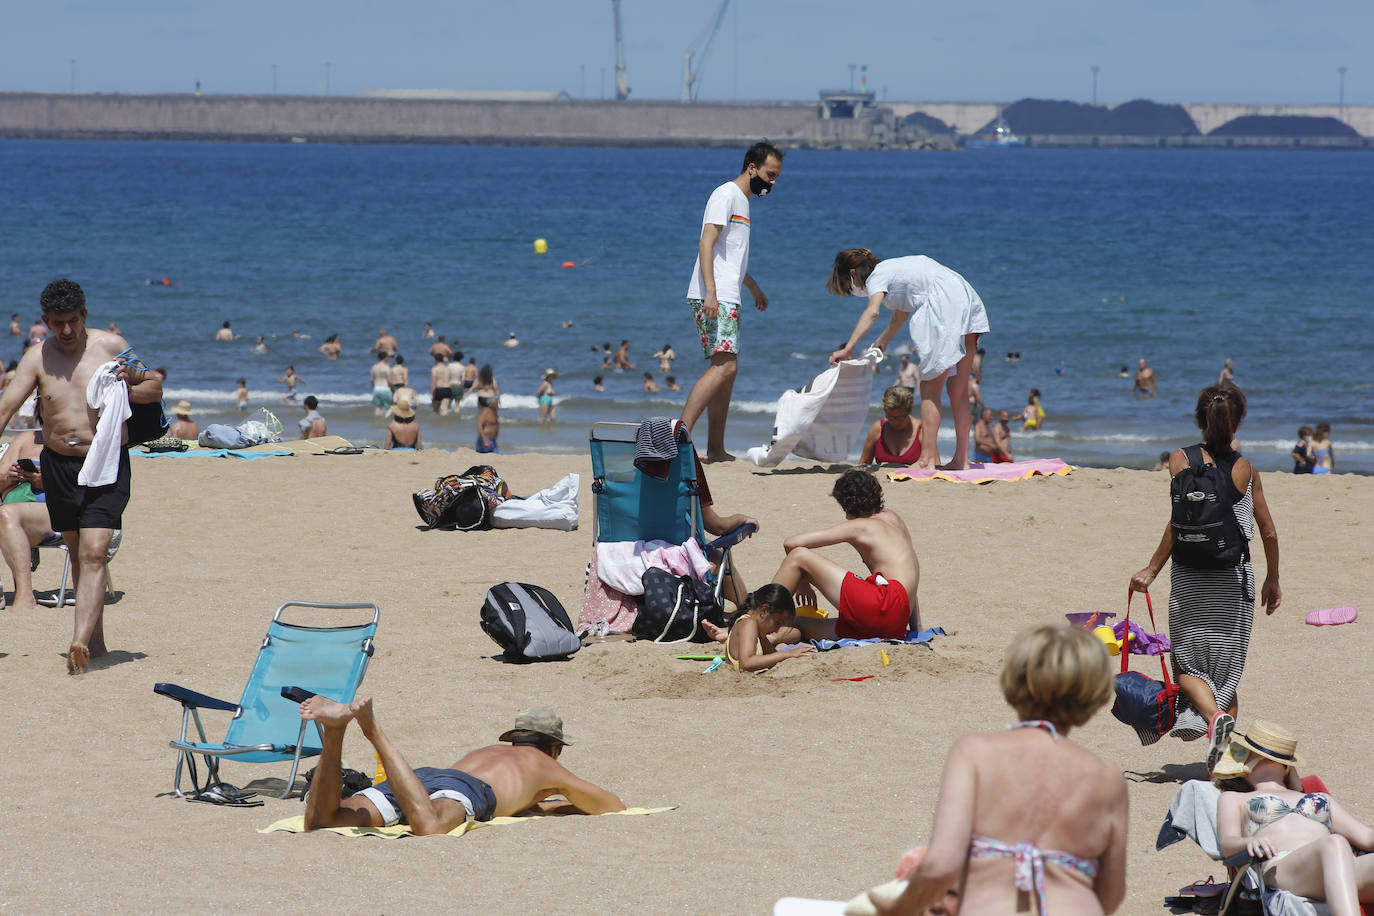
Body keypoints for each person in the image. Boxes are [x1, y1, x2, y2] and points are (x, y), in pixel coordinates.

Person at [866, 624, 1127, 915]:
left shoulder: (975, 753)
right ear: (1094, 694)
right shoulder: (1108, 779)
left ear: (1014, 679)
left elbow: (940, 867)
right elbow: (1111, 894)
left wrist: (898, 909)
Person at [0, 279, 162, 673]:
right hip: (59, 466)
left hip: (104, 461)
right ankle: (97, 640)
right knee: (76, 553)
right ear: (46, 321)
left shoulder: (110, 346)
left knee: (93, 552)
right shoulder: (38, 358)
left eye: (73, 321)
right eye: (58, 324)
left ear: (85, 315)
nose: (67, 331)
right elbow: (6, 405)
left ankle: (77, 643)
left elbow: (154, 385)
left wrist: (129, 380)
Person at [1129, 384, 1281, 770]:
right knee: (1226, 672)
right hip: (1232, 579)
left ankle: (1213, 721)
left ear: (1199, 419)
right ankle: (1224, 757)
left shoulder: (1179, 460)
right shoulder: (1245, 468)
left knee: (1188, 668)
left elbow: (1178, 523)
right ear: (1239, 421)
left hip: (1189, 577)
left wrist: (1151, 569)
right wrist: (1272, 578)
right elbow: (1268, 532)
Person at [299, 698, 625, 835]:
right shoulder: (545, 764)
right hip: (464, 791)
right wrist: (559, 797)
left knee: (323, 820)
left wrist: (538, 804)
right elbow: (611, 806)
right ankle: (374, 732)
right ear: (554, 747)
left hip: (422, 778)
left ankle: (336, 729)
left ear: (514, 739)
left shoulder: (490, 751)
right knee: (431, 826)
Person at [705, 469, 918, 642]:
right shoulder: (893, 519)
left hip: (884, 604)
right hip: (895, 623)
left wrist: (803, 582)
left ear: (846, 506)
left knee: (799, 556)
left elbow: (792, 543)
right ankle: (758, 637)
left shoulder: (860, 526)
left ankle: (747, 623)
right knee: (796, 624)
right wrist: (917, 629)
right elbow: (910, 580)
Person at [826, 250, 990, 471]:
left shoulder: (877, 276)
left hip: (943, 301)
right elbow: (900, 314)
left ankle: (927, 459)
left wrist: (848, 348)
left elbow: (872, 312)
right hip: (964, 296)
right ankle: (961, 460)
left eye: (848, 284)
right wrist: (883, 341)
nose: (852, 290)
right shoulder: (895, 269)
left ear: (854, 273)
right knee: (958, 390)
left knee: (930, 388)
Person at [681, 140, 784, 463]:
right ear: (752, 168)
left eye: (776, 176)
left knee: (726, 370)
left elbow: (731, 257)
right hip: (715, 296)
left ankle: (715, 448)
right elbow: (706, 244)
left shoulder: (743, 201)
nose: (772, 182)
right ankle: (677, 439)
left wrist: (752, 287)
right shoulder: (726, 194)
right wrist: (711, 291)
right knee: (726, 366)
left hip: (729, 294)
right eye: (769, 174)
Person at [1215, 720, 1374, 914]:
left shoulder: (1319, 798)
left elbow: (1366, 836)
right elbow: (1227, 843)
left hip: (1340, 866)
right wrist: (1248, 841)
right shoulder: (1234, 798)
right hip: (1284, 869)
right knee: (1334, 844)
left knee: (1335, 846)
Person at [721, 583, 815, 672]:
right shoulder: (748, 623)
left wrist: (794, 654)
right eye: (777, 623)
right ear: (764, 611)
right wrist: (788, 654)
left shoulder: (757, 630)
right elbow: (746, 663)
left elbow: (772, 657)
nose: (777, 630)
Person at [861, 386, 923, 466]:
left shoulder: (922, 430)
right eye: (890, 417)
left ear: (909, 411)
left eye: (900, 417)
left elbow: (935, 465)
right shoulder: (878, 429)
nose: (895, 422)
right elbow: (864, 463)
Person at [474, 365, 500, 453]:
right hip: (485, 442)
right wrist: (484, 440)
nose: (498, 404)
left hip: (493, 442)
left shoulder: (494, 413)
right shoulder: (485, 411)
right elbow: (479, 426)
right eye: (496, 402)